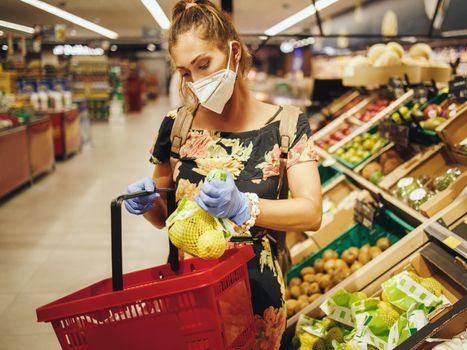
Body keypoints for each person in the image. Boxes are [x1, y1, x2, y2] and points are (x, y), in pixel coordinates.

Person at [124, 0, 322, 348]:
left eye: (204, 65)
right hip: (188, 292)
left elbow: (312, 212)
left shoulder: (287, 124)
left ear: (233, 52)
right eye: (186, 73)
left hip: (257, 298)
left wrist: (247, 206)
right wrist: (149, 200)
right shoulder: (177, 125)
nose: (197, 81)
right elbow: (162, 217)